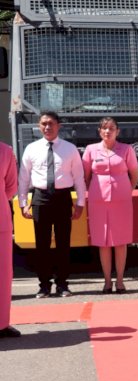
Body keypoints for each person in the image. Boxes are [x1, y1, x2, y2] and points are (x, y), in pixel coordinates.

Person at [18, 111, 86, 298]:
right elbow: (23, 178)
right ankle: (44, 285)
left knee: (63, 243)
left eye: (51, 123)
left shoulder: (70, 149)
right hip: (40, 198)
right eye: (43, 124)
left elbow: (79, 178)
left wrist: (80, 203)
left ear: (58, 125)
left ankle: (63, 284)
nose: (47, 127)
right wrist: (23, 203)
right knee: (42, 244)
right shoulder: (31, 149)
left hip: (63, 198)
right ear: (39, 126)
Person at [82, 117, 138, 294]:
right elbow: (86, 176)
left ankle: (120, 281)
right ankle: (107, 281)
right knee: (103, 242)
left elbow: (134, 174)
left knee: (120, 241)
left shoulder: (126, 150)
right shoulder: (91, 150)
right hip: (98, 201)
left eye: (111, 128)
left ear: (117, 131)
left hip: (121, 201)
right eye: (104, 128)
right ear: (99, 131)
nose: (108, 131)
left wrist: (126, 189)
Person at [0, 142, 19, 337]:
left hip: (1, 222)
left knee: (3, 275)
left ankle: (2, 323)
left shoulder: (5, 151)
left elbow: (11, 187)